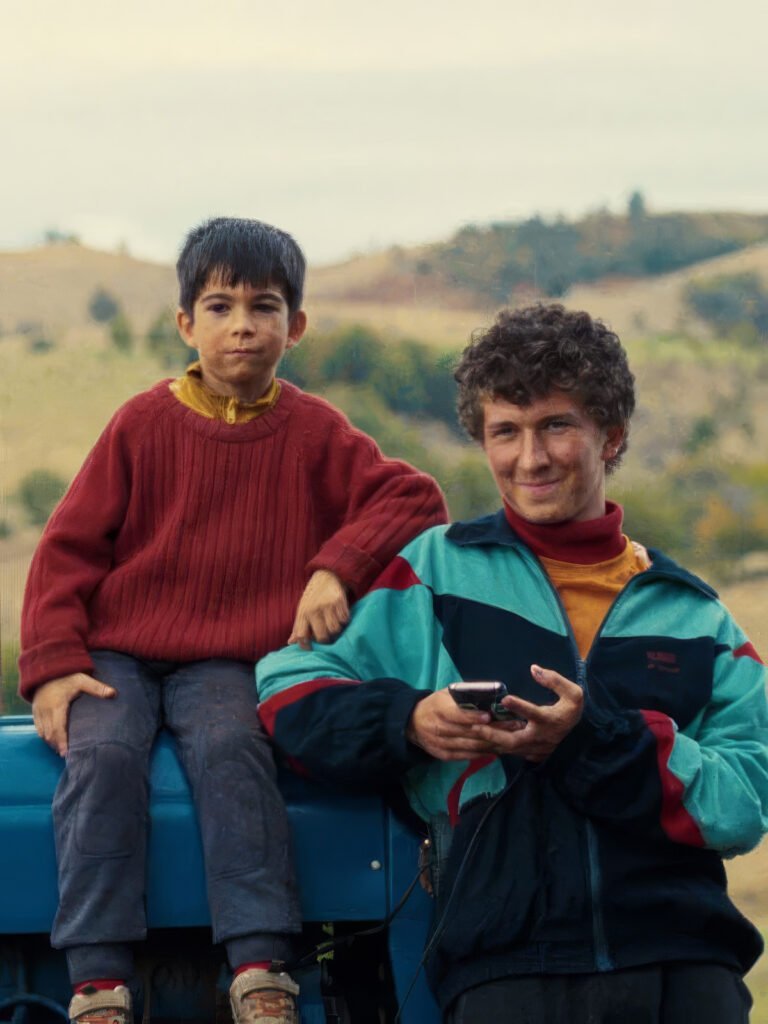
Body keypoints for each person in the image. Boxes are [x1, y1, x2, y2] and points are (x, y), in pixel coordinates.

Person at [257, 303, 768, 1023]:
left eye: (556, 425)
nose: (530, 458)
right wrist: (412, 721)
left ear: (610, 435)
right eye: (506, 432)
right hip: (504, 970)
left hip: (685, 973)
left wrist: (589, 740)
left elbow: (745, 803)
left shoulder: (697, 618)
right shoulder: (433, 576)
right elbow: (285, 690)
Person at [18, 216, 447, 1024]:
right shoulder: (142, 424)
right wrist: (50, 664)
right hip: (118, 650)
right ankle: (97, 976)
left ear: (298, 326)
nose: (242, 325)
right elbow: (68, 547)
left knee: (231, 749)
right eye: (218, 307)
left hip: (228, 660)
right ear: (186, 323)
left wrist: (335, 566)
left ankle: (258, 966)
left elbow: (414, 497)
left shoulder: (316, 431)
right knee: (101, 754)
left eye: (265, 305)